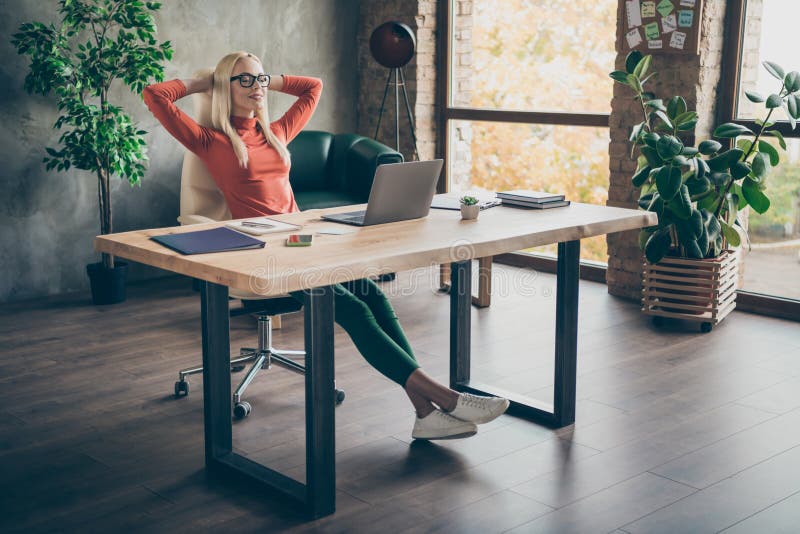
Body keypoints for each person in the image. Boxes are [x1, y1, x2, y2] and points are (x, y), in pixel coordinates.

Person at [143, 51, 509, 440]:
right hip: (265, 251)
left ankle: (424, 411)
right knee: (349, 307)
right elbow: (155, 95)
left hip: (303, 240)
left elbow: (312, 88)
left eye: (261, 79)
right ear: (225, 88)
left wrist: (268, 78)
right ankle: (445, 399)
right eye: (245, 81)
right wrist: (206, 82)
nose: (258, 87)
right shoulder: (210, 140)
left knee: (373, 297)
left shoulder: (275, 133)